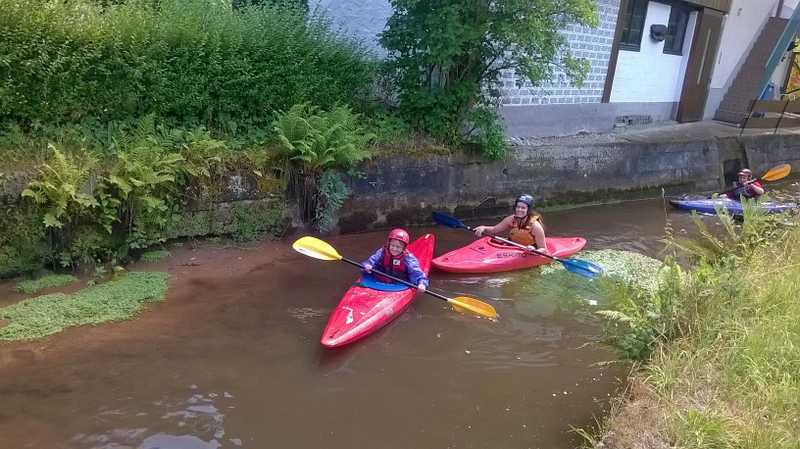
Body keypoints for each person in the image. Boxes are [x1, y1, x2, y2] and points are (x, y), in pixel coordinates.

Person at [472, 194, 548, 253]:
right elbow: (494, 229)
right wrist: (483, 227)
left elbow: (544, 249)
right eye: (518, 207)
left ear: (529, 210)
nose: (519, 210)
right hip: (512, 247)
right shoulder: (511, 219)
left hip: (529, 250)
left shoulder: (535, 226)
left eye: (523, 208)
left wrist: (533, 250)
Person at [362, 228, 428, 292]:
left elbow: (416, 273)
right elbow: (371, 260)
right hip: (381, 278)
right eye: (392, 245)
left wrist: (422, 283)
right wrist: (367, 265)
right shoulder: (382, 252)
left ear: (403, 248)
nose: (394, 249)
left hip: (399, 282)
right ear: (389, 244)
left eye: (398, 247)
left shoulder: (408, 259)